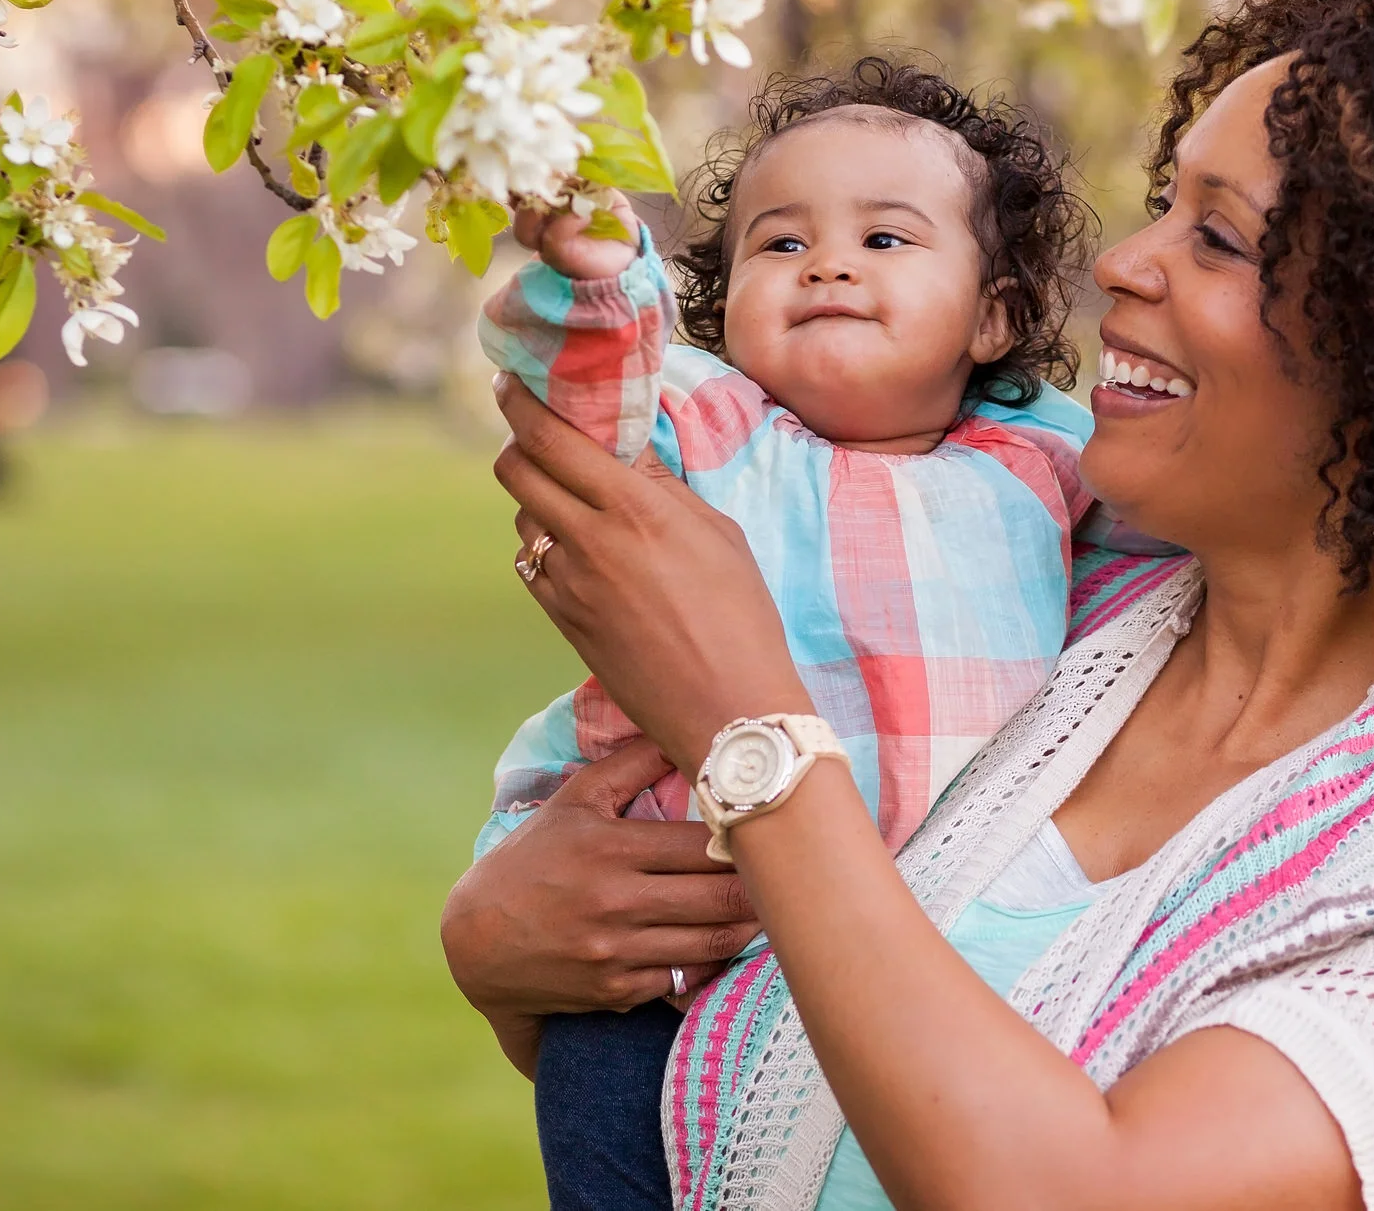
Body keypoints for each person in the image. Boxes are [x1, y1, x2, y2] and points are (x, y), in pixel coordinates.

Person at [446, 0, 1374, 1210]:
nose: (1123, 264)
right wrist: (508, 942)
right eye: (1161, 203)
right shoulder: (1033, 605)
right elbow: (746, 1070)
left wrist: (755, 730)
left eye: (1219, 236)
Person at [474, 61, 1118, 1205]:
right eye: (779, 245)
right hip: (668, 980)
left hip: (919, 968)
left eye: (885, 239)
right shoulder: (708, 424)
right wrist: (595, 276)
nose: (826, 262)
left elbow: (1191, 530)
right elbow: (592, 390)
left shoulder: (1043, 456)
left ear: (994, 314)